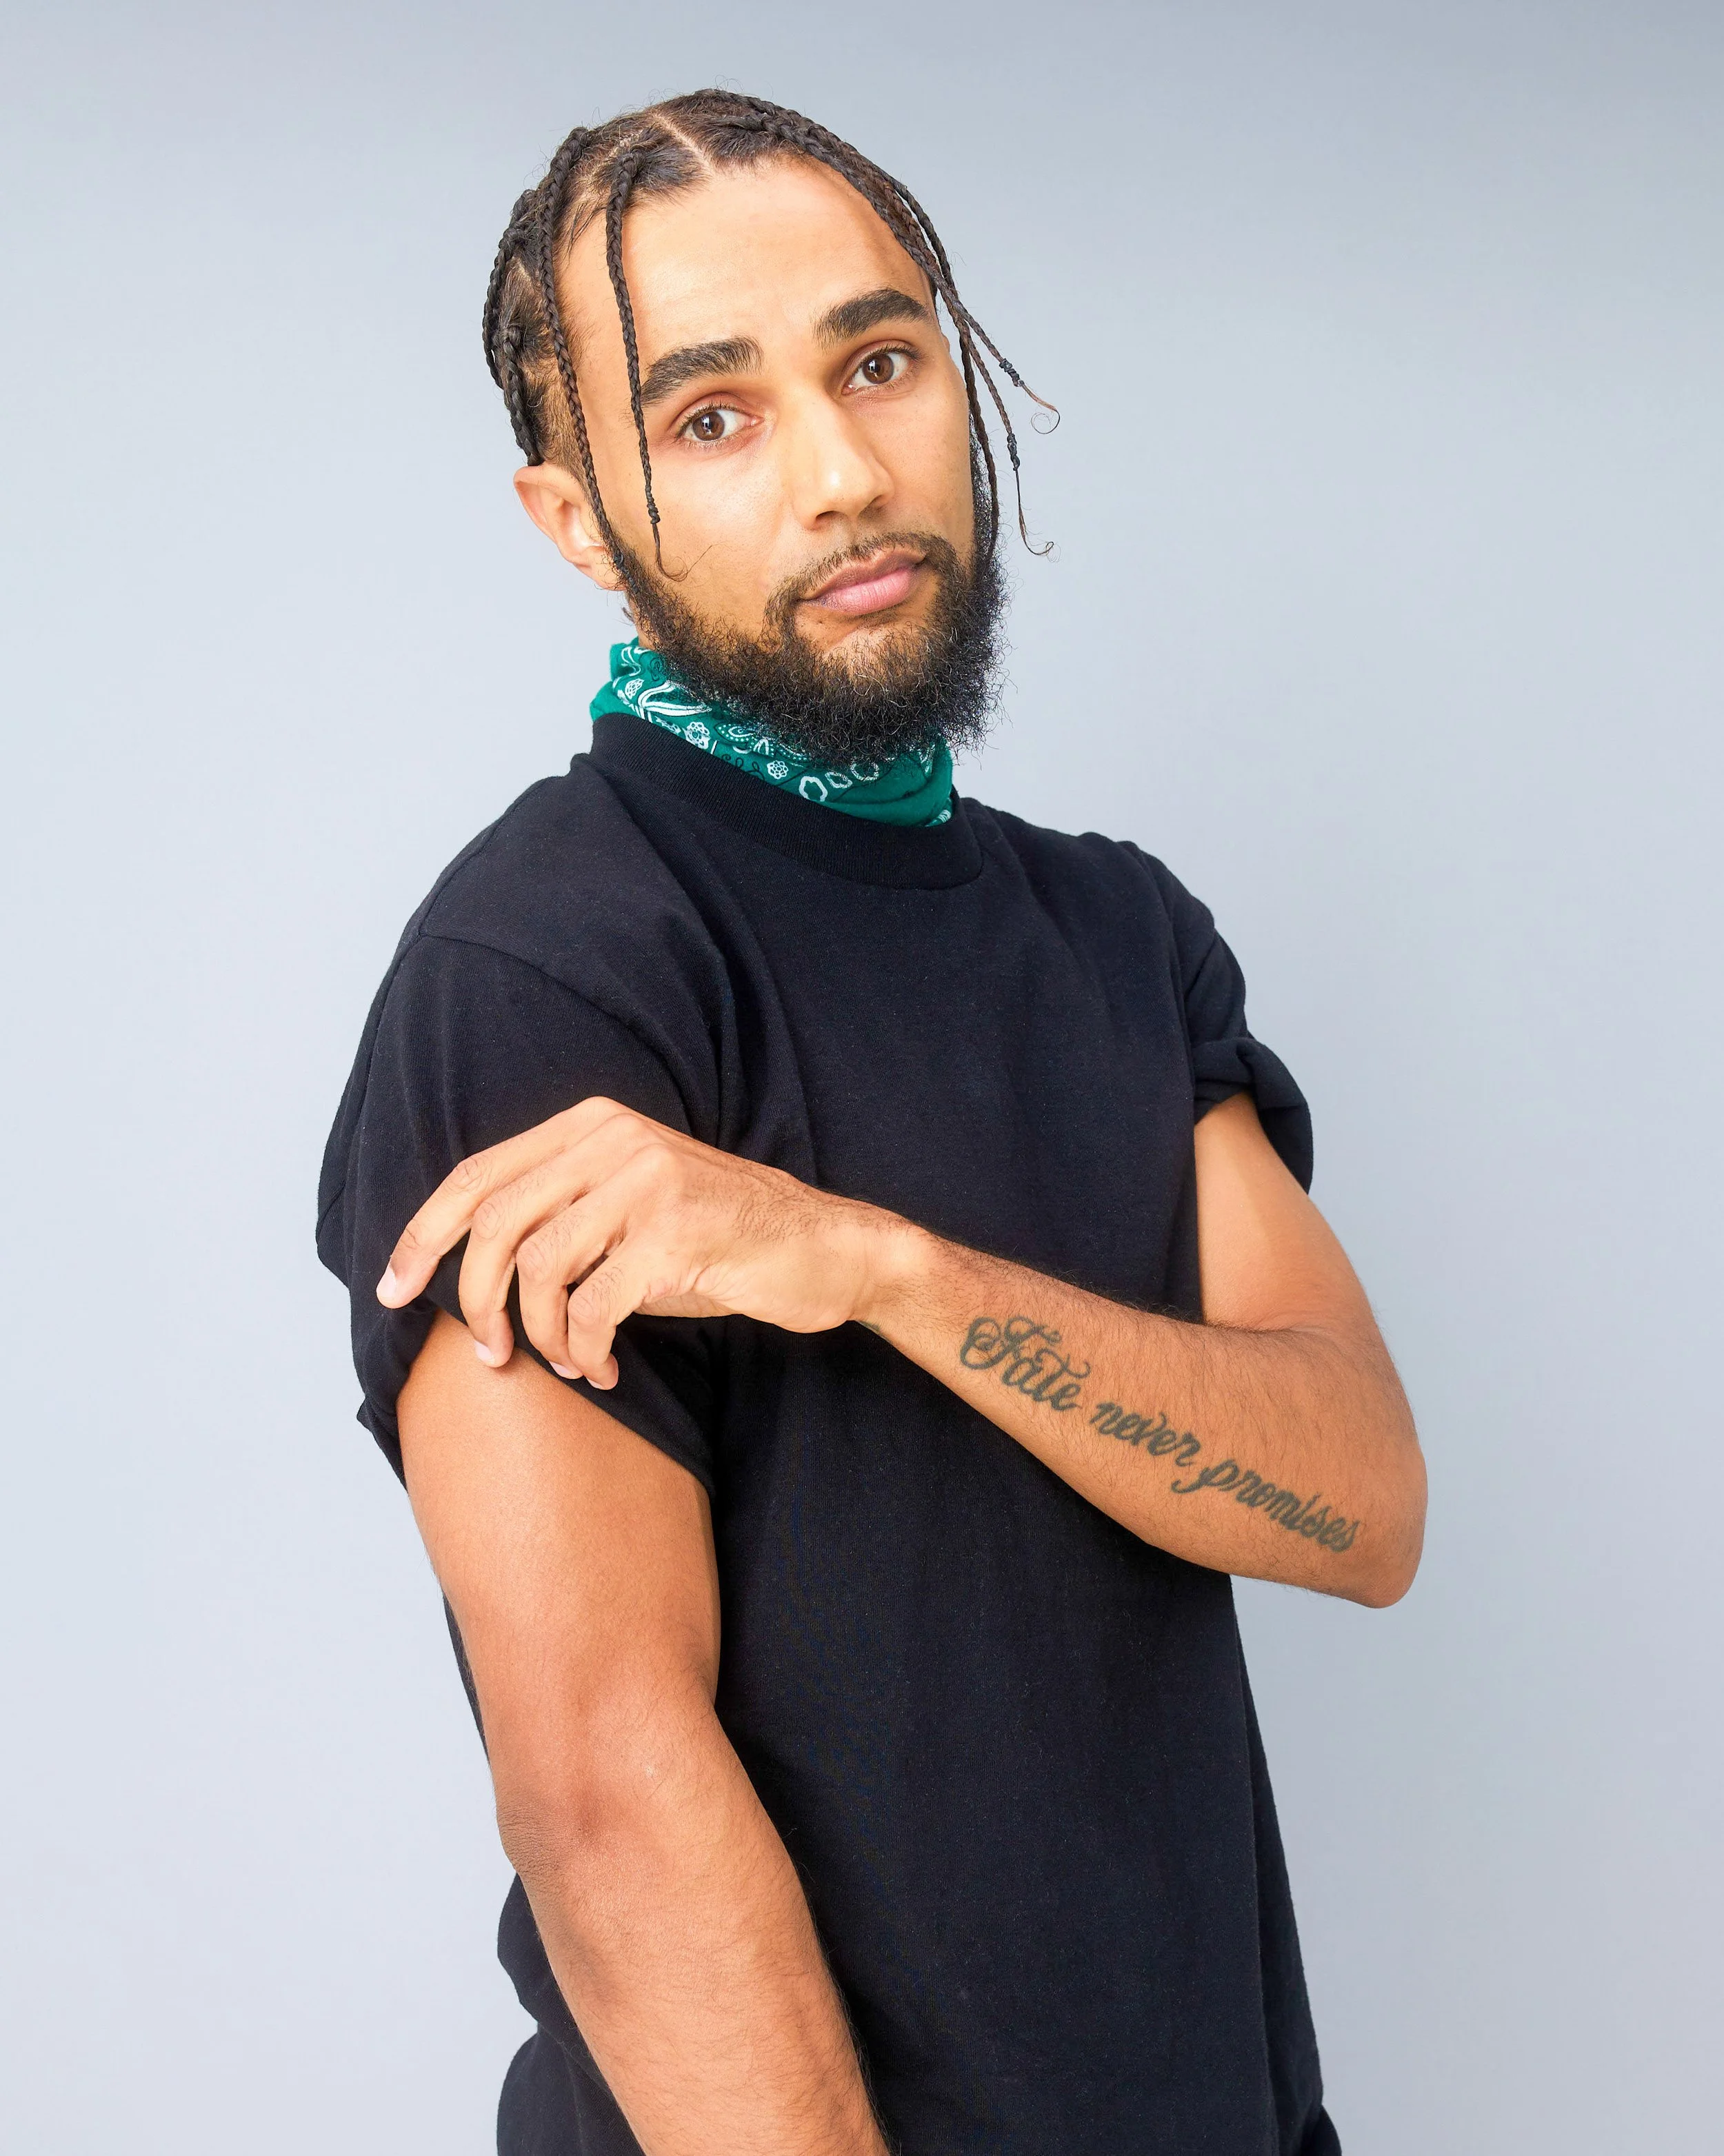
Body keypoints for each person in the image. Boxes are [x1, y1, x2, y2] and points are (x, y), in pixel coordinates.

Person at [317, 89, 1425, 2156]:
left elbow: (1353, 1500)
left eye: (879, 360)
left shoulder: (1114, 929)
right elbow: (601, 1788)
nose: (841, 471)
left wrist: (877, 1267)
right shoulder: (547, 970)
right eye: (714, 416)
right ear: (578, 522)